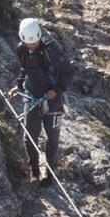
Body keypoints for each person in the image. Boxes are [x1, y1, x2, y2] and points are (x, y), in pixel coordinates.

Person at [16, 18, 72, 178]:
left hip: (53, 101)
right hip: (32, 96)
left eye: (34, 43)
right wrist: (19, 86)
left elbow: (68, 72)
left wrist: (57, 90)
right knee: (30, 136)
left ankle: (50, 174)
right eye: (29, 43)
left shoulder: (51, 51)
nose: (32, 46)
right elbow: (25, 68)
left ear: (39, 36)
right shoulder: (22, 49)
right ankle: (34, 170)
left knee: (52, 139)